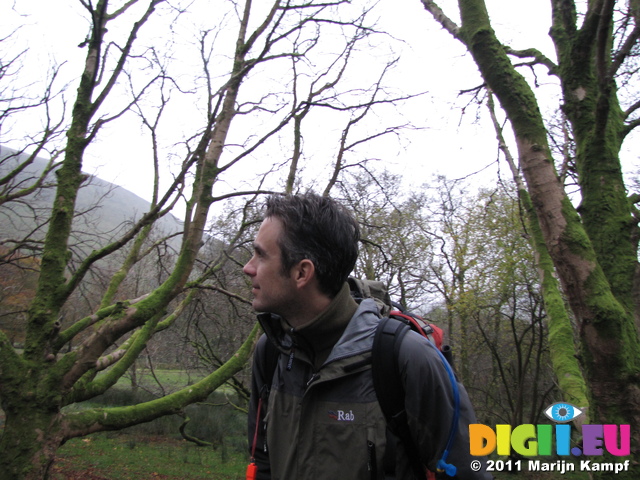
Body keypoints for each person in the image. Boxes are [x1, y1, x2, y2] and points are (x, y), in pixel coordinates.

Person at [245, 192, 491, 479]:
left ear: (302, 273)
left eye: (261, 255)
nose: (248, 267)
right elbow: (262, 461)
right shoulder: (273, 350)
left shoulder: (407, 359)